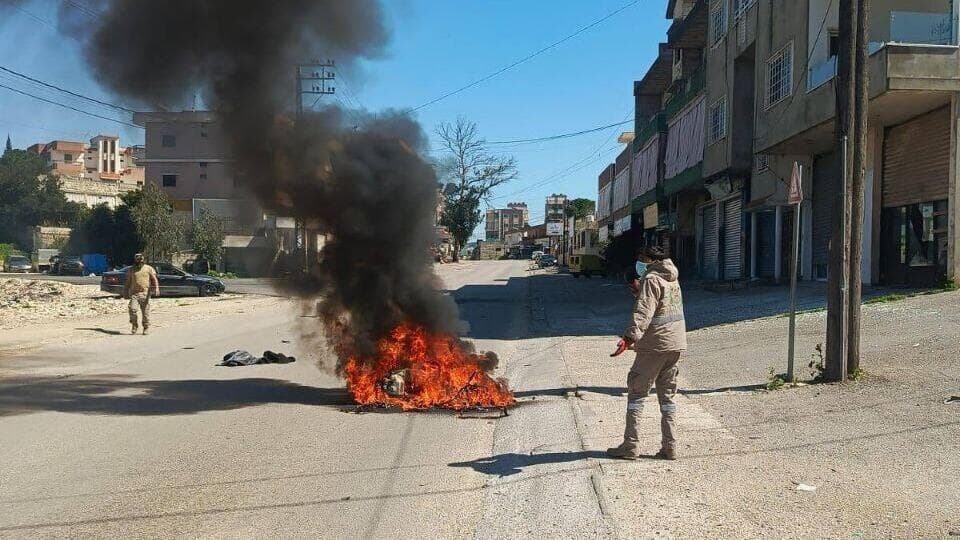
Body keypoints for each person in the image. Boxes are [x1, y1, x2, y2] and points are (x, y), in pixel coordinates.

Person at [607, 245, 687, 461]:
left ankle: (630, 446)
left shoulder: (651, 279)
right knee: (667, 399)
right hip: (675, 344)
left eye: (642, 258)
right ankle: (670, 447)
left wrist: (629, 338)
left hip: (655, 346)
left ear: (652, 260)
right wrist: (639, 291)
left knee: (637, 394)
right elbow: (664, 307)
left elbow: (644, 311)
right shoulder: (672, 277)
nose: (640, 263)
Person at [123, 253, 160, 335]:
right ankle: (134, 325)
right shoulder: (131, 269)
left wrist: (157, 288)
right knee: (132, 309)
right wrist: (125, 291)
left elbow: (154, 279)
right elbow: (128, 281)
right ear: (135, 260)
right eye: (138, 259)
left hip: (145, 294)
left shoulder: (148, 268)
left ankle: (146, 327)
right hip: (134, 294)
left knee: (145, 313)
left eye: (141, 259)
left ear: (143, 260)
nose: (140, 261)